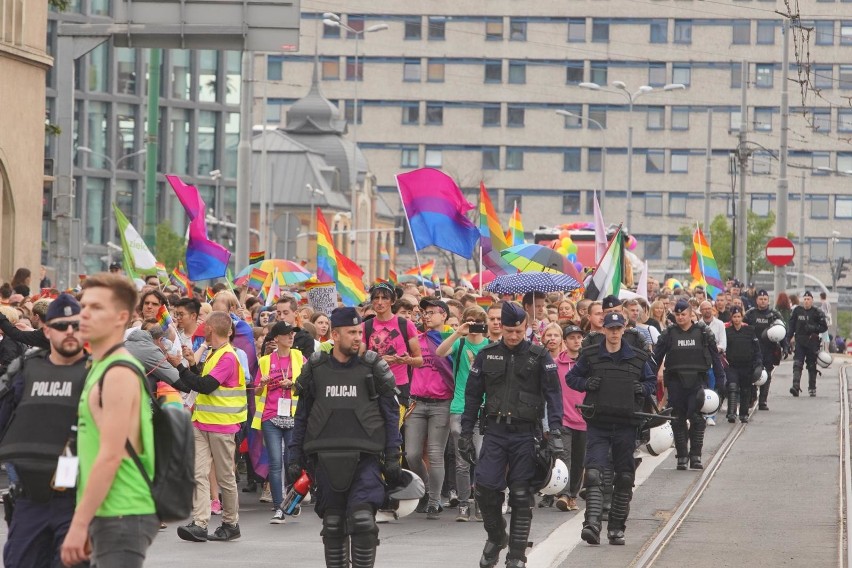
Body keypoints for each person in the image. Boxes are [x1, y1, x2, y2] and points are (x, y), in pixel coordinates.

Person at [287, 307, 402, 568]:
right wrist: (294, 455)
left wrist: (394, 454)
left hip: (366, 457)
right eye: (351, 333)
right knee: (333, 524)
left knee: (362, 521)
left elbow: (391, 413)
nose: (358, 337)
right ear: (335, 335)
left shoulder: (373, 366)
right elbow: (302, 415)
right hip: (325, 459)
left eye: (360, 332)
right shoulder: (315, 368)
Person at [60, 273, 159, 567]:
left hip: (123, 511)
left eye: (96, 307)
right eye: (84, 305)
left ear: (122, 317)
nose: (84, 314)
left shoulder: (118, 372)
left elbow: (111, 455)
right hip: (111, 511)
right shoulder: (102, 366)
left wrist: (79, 523)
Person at [459, 302, 564, 568]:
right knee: (484, 490)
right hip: (494, 431)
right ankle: (496, 536)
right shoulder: (487, 354)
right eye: (509, 331)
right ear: (501, 328)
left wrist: (556, 432)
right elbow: (472, 395)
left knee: (520, 495)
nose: (513, 336)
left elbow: (554, 396)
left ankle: (516, 555)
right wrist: (465, 432)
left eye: (518, 331)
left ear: (526, 328)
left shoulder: (540, 356)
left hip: (526, 434)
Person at [0, 294, 88, 568]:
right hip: (29, 498)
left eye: (76, 324)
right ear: (46, 330)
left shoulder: (99, 373)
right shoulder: (25, 371)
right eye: (62, 325)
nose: (70, 331)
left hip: (77, 499)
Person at [566, 312, 655, 546]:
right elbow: (571, 378)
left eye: (618, 328)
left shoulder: (637, 357)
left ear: (624, 329)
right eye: (610, 328)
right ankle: (592, 524)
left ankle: (616, 527)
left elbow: (651, 382)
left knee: (624, 477)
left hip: (626, 425)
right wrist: (586, 383)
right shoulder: (591, 355)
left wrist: (642, 389)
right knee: (594, 473)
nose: (614, 332)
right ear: (604, 329)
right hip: (598, 423)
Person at [171, 311, 245, 543]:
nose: (203, 329)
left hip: (222, 427)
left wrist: (181, 368)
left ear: (211, 330)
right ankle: (200, 523)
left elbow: (205, 385)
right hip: (202, 423)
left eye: (206, 326)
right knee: (199, 473)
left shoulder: (227, 357)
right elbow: (200, 379)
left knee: (225, 478)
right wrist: (192, 364)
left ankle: (230, 523)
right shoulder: (215, 353)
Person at [653, 299, 725, 471]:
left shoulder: (703, 332)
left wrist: (720, 380)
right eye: (677, 314)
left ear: (690, 313)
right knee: (677, 420)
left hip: (697, 382)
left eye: (683, 314)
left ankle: (695, 455)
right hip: (676, 382)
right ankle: (682, 456)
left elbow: (715, 357)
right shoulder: (669, 334)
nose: (680, 317)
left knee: (697, 419)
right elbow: (656, 358)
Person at [436, 306, 491, 521]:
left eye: (478, 321)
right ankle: (462, 503)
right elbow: (439, 353)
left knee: (479, 456)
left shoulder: (490, 346)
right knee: (461, 461)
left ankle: (479, 502)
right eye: (470, 320)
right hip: (459, 407)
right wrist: (458, 332)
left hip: (483, 409)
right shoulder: (459, 342)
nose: (474, 325)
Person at [251, 321, 305, 524]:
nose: (291, 336)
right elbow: (256, 390)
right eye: (286, 334)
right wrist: (262, 384)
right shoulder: (265, 361)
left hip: (292, 415)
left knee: (292, 462)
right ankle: (279, 507)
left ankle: (293, 500)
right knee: (275, 462)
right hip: (270, 415)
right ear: (276, 339)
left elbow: (308, 382)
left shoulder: (299, 357)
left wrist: (293, 384)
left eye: (292, 333)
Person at [360, 282, 422, 406]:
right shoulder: (365, 326)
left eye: (384, 298)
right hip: (372, 386)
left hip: (399, 387)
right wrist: (378, 360)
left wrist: (407, 360)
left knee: (395, 425)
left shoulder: (405, 325)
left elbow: (419, 360)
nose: (380, 302)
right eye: (376, 298)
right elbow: (358, 359)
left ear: (393, 301)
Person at [553, 324, 586, 513]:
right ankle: (564, 494)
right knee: (564, 457)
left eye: (578, 337)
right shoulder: (556, 364)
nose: (576, 341)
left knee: (579, 459)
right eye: (571, 337)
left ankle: (573, 494)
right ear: (564, 342)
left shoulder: (587, 363)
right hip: (564, 418)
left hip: (585, 419)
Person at [744, 290, 784, 410]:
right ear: (756, 300)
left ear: (768, 300)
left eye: (765, 299)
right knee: (752, 374)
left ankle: (763, 401)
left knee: (767, 375)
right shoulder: (750, 314)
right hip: (753, 349)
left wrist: (785, 346)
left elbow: (782, 330)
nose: (762, 301)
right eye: (760, 299)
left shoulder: (774, 314)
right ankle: (752, 396)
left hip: (769, 349)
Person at [723, 307, 763, 423]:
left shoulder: (749, 331)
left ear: (742, 317)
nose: (737, 319)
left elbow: (757, 349)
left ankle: (744, 414)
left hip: (747, 365)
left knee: (746, 390)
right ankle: (731, 413)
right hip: (733, 366)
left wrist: (758, 362)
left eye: (739, 316)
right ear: (731, 318)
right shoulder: (727, 332)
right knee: (733, 387)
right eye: (734, 317)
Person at [787, 291, 828, 397]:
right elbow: (791, 326)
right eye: (804, 299)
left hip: (812, 342)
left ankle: (812, 387)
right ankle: (795, 386)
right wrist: (787, 340)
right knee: (797, 363)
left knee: (811, 365)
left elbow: (824, 327)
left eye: (808, 299)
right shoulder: (797, 311)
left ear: (812, 300)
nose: (806, 301)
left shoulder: (817, 312)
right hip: (800, 341)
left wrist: (814, 328)